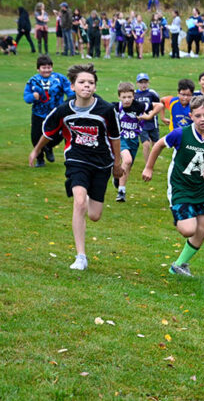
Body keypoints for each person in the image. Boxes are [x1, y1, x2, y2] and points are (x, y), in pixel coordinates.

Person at [28, 63, 122, 271]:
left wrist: (117, 164)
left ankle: (84, 193)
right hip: (76, 159)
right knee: (79, 203)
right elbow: (48, 132)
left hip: (102, 163)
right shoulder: (64, 110)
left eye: (91, 82)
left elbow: (115, 138)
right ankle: (81, 256)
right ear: (72, 86)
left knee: (94, 215)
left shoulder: (106, 110)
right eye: (82, 82)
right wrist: (36, 150)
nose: (86, 86)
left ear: (95, 87)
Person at [142, 96, 204, 277]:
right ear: (191, 116)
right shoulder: (181, 133)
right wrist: (149, 167)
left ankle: (178, 265)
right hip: (180, 186)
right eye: (198, 116)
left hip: (200, 189)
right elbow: (158, 145)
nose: (202, 119)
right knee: (188, 229)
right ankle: (179, 216)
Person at [112, 82, 163, 202]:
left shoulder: (139, 106)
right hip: (121, 138)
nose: (127, 100)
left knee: (128, 166)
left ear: (133, 96)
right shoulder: (116, 107)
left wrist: (149, 116)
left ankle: (120, 184)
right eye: (124, 97)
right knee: (127, 160)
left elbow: (160, 105)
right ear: (119, 97)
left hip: (134, 140)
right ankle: (121, 191)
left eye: (129, 97)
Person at [24, 54, 74, 167]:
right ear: (38, 69)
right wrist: (32, 96)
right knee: (36, 137)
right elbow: (26, 97)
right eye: (44, 67)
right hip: (39, 114)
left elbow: (70, 91)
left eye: (49, 67)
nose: (47, 70)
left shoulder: (60, 78)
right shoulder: (33, 81)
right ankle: (40, 159)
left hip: (56, 113)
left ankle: (49, 146)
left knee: (59, 135)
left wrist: (68, 102)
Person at [134, 73, 162, 165]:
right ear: (137, 83)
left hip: (153, 123)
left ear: (148, 83)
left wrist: (153, 113)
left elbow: (158, 105)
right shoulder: (134, 94)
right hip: (142, 123)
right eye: (141, 82)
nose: (143, 85)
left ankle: (152, 160)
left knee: (156, 145)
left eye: (145, 82)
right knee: (146, 144)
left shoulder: (152, 93)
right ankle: (148, 165)